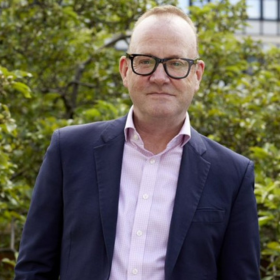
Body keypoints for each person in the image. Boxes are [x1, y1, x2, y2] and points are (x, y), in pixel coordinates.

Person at [14, 5, 260, 280]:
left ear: (197, 74)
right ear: (125, 70)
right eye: (145, 61)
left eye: (176, 63)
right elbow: (33, 269)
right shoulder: (68, 151)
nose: (159, 77)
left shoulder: (232, 174)